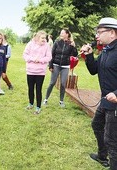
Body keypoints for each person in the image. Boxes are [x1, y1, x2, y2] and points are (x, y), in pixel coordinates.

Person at [80, 17, 117, 170]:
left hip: (115, 103)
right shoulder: (106, 50)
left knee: (112, 140)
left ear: (113, 33)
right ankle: (102, 156)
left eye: (100, 32)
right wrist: (89, 55)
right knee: (96, 124)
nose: (97, 36)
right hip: (105, 100)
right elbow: (94, 70)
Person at [43, 28, 78, 107]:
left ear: (67, 34)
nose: (61, 34)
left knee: (63, 84)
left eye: (62, 33)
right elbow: (52, 54)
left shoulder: (70, 43)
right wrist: (50, 65)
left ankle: (61, 101)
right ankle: (45, 99)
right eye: (61, 33)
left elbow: (75, 55)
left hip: (65, 66)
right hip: (56, 65)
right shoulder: (57, 42)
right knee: (52, 83)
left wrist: (74, 47)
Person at [23, 30, 52, 114]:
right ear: (37, 38)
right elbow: (25, 55)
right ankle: (31, 103)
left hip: (40, 72)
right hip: (30, 71)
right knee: (30, 88)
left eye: (45, 38)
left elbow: (49, 57)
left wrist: (40, 60)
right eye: (42, 38)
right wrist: (32, 59)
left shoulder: (47, 46)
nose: (44, 39)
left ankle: (38, 107)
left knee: (38, 89)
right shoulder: (30, 44)